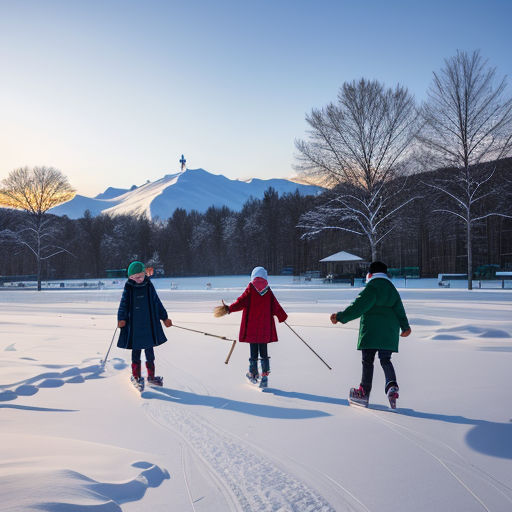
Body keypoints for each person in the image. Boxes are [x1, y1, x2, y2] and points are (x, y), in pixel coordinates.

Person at [330, 261, 411, 408]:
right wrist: (405, 327)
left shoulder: (372, 288)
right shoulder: (392, 289)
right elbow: (400, 309)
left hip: (371, 332)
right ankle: (391, 385)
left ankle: (363, 393)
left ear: (371, 274)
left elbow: (358, 307)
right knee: (385, 360)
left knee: (368, 361)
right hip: (388, 333)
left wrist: (341, 317)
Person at [214, 266, 287, 387]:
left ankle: (253, 374)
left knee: (254, 352)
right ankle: (264, 377)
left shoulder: (250, 289)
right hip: (265, 329)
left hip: (252, 328)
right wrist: (282, 316)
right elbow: (276, 306)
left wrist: (228, 309)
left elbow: (240, 302)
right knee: (263, 352)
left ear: (253, 276)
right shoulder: (268, 291)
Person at [117, 261, 172, 387]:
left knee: (149, 352)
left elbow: (157, 302)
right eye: (135, 277)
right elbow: (123, 305)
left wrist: (164, 317)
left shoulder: (148, 285)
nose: (139, 279)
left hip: (148, 325)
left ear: (144, 274)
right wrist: (121, 318)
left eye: (141, 276)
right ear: (130, 277)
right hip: (134, 327)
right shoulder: (129, 287)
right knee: (136, 351)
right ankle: (136, 376)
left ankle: (151, 376)